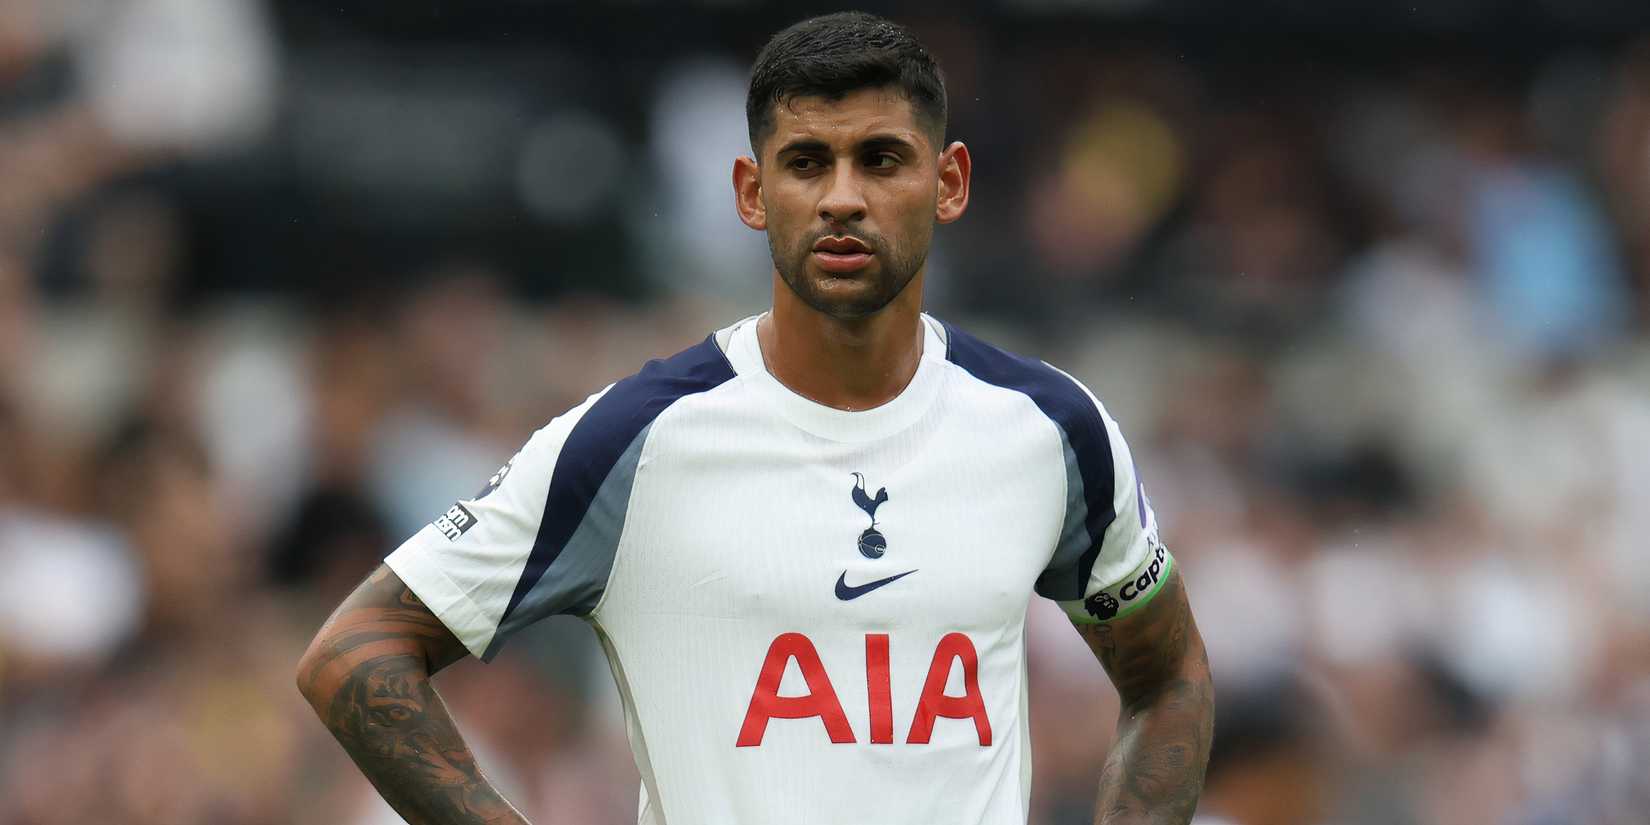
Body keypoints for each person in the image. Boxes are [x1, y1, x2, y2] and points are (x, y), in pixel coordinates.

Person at [296, 11, 1214, 824]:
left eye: (882, 158)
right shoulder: (637, 441)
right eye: (806, 162)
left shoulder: (1047, 427)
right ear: (749, 191)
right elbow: (356, 653)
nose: (842, 197)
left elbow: (1168, 677)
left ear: (950, 181)